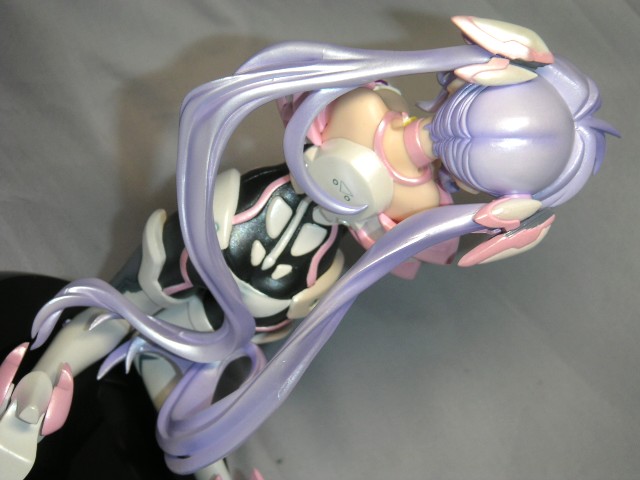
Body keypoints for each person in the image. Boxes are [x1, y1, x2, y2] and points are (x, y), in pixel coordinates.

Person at [0, 16, 617, 480]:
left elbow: (389, 255)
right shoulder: (366, 103)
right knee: (131, 303)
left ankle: (194, 454)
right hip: (231, 222)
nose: (452, 141)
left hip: (284, 286)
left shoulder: (428, 205)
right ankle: (39, 387)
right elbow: (285, 98)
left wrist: (485, 224)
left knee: (195, 369)